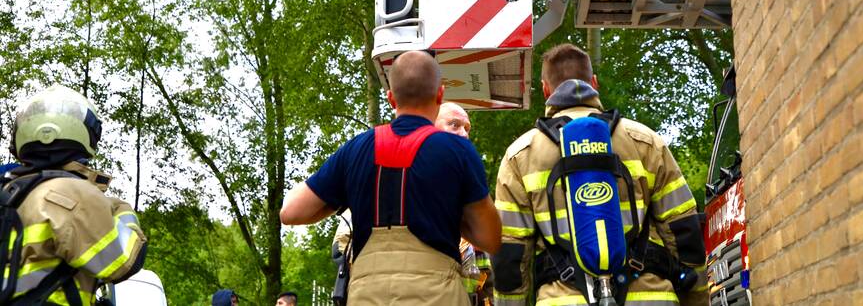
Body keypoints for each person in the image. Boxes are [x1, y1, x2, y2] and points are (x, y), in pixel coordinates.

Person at [492, 44, 708, 306]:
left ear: (546, 90)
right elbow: (684, 231)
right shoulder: (646, 142)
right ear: (594, 83)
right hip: (651, 298)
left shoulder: (520, 156)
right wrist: (696, 298)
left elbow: (510, 253)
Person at [280, 50, 501, 306]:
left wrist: (340, 198)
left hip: (367, 297)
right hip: (437, 295)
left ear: (391, 98)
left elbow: (291, 212)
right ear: (440, 94)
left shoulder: (356, 149)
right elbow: (491, 239)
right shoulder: (459, 151)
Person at [2, 85, 147, 305]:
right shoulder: (72, 193)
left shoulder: (11, 191)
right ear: (86, 131)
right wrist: (121, 210)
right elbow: (124, 261)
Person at [435, 103, 493, 306]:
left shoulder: (473, 193)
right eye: (454, 125)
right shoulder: (403, 179)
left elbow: (488, 273)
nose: (464, 134)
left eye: (467, 128)